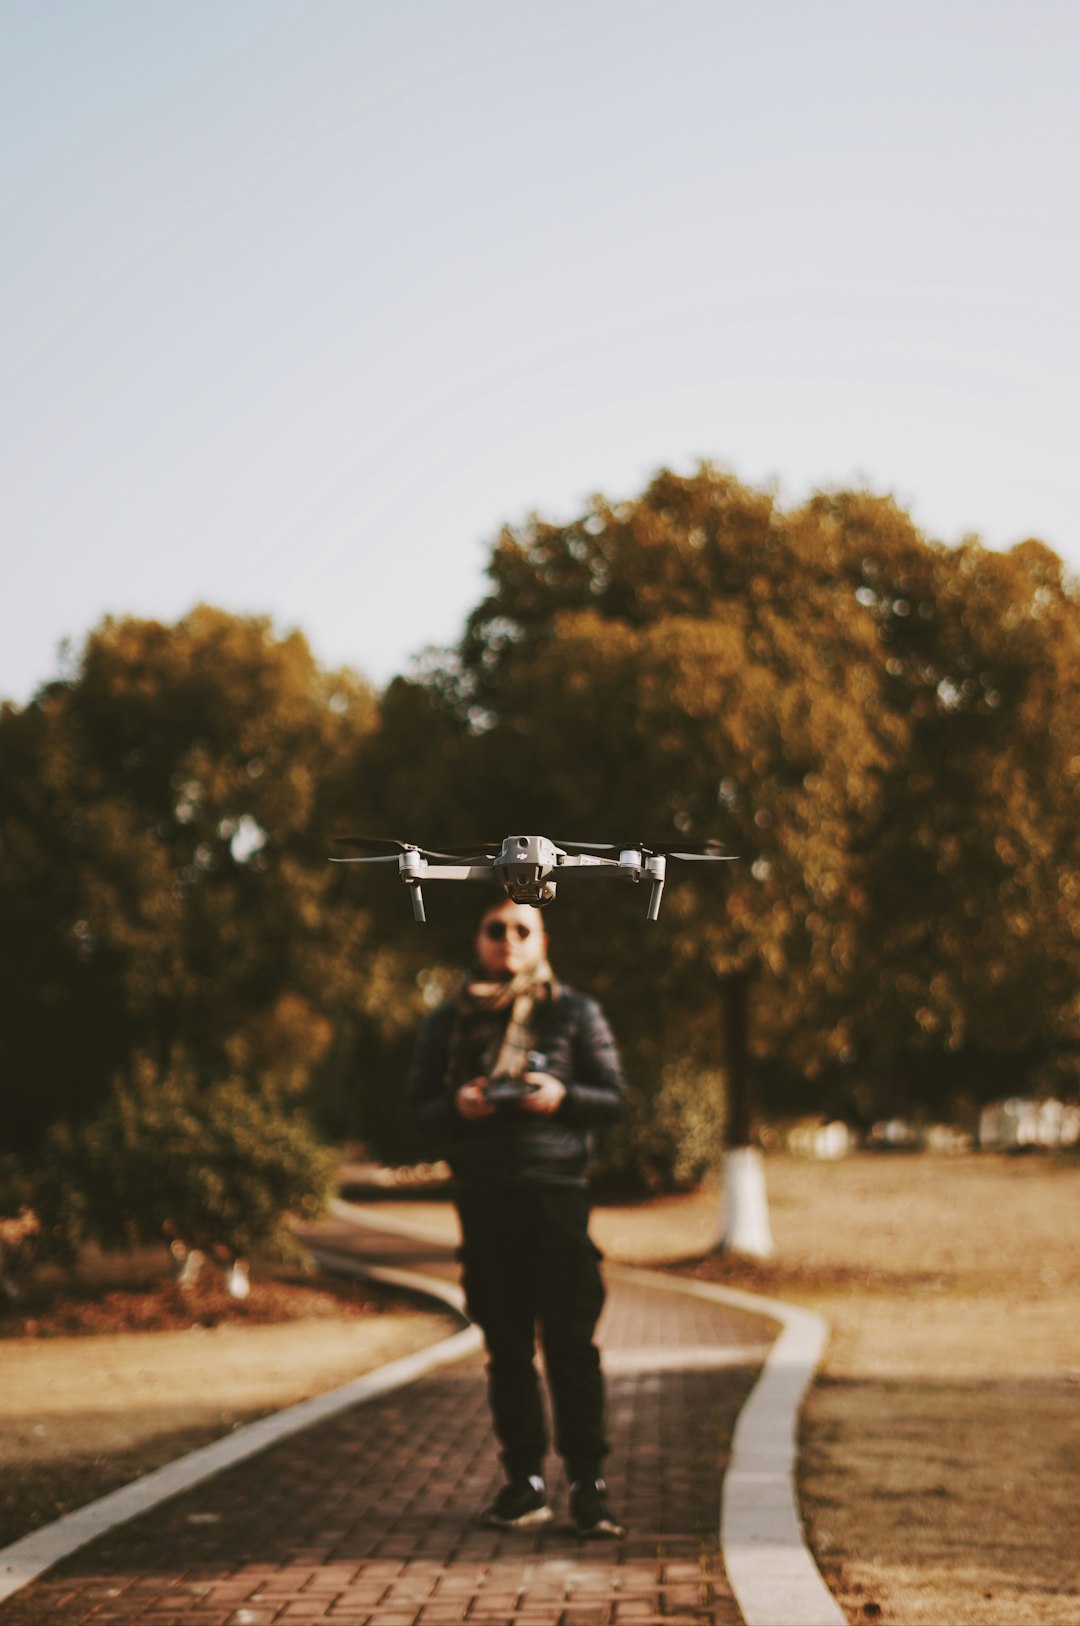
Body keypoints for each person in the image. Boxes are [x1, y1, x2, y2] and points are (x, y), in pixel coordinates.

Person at [409, 896, 627, 1537]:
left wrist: (561, 1097)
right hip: (484, 1199)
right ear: (478, 938)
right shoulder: (449, 1020)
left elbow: (613, 1098)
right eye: (495, 929)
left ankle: (589, 1486)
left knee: (571, 1350)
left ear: (542, 939)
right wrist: (459, 1104)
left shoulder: (574, 1012)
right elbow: (418, 1109)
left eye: (520, 929)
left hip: (555, 1195)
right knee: (506, 1351)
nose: (508, 939)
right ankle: (524, 1483)